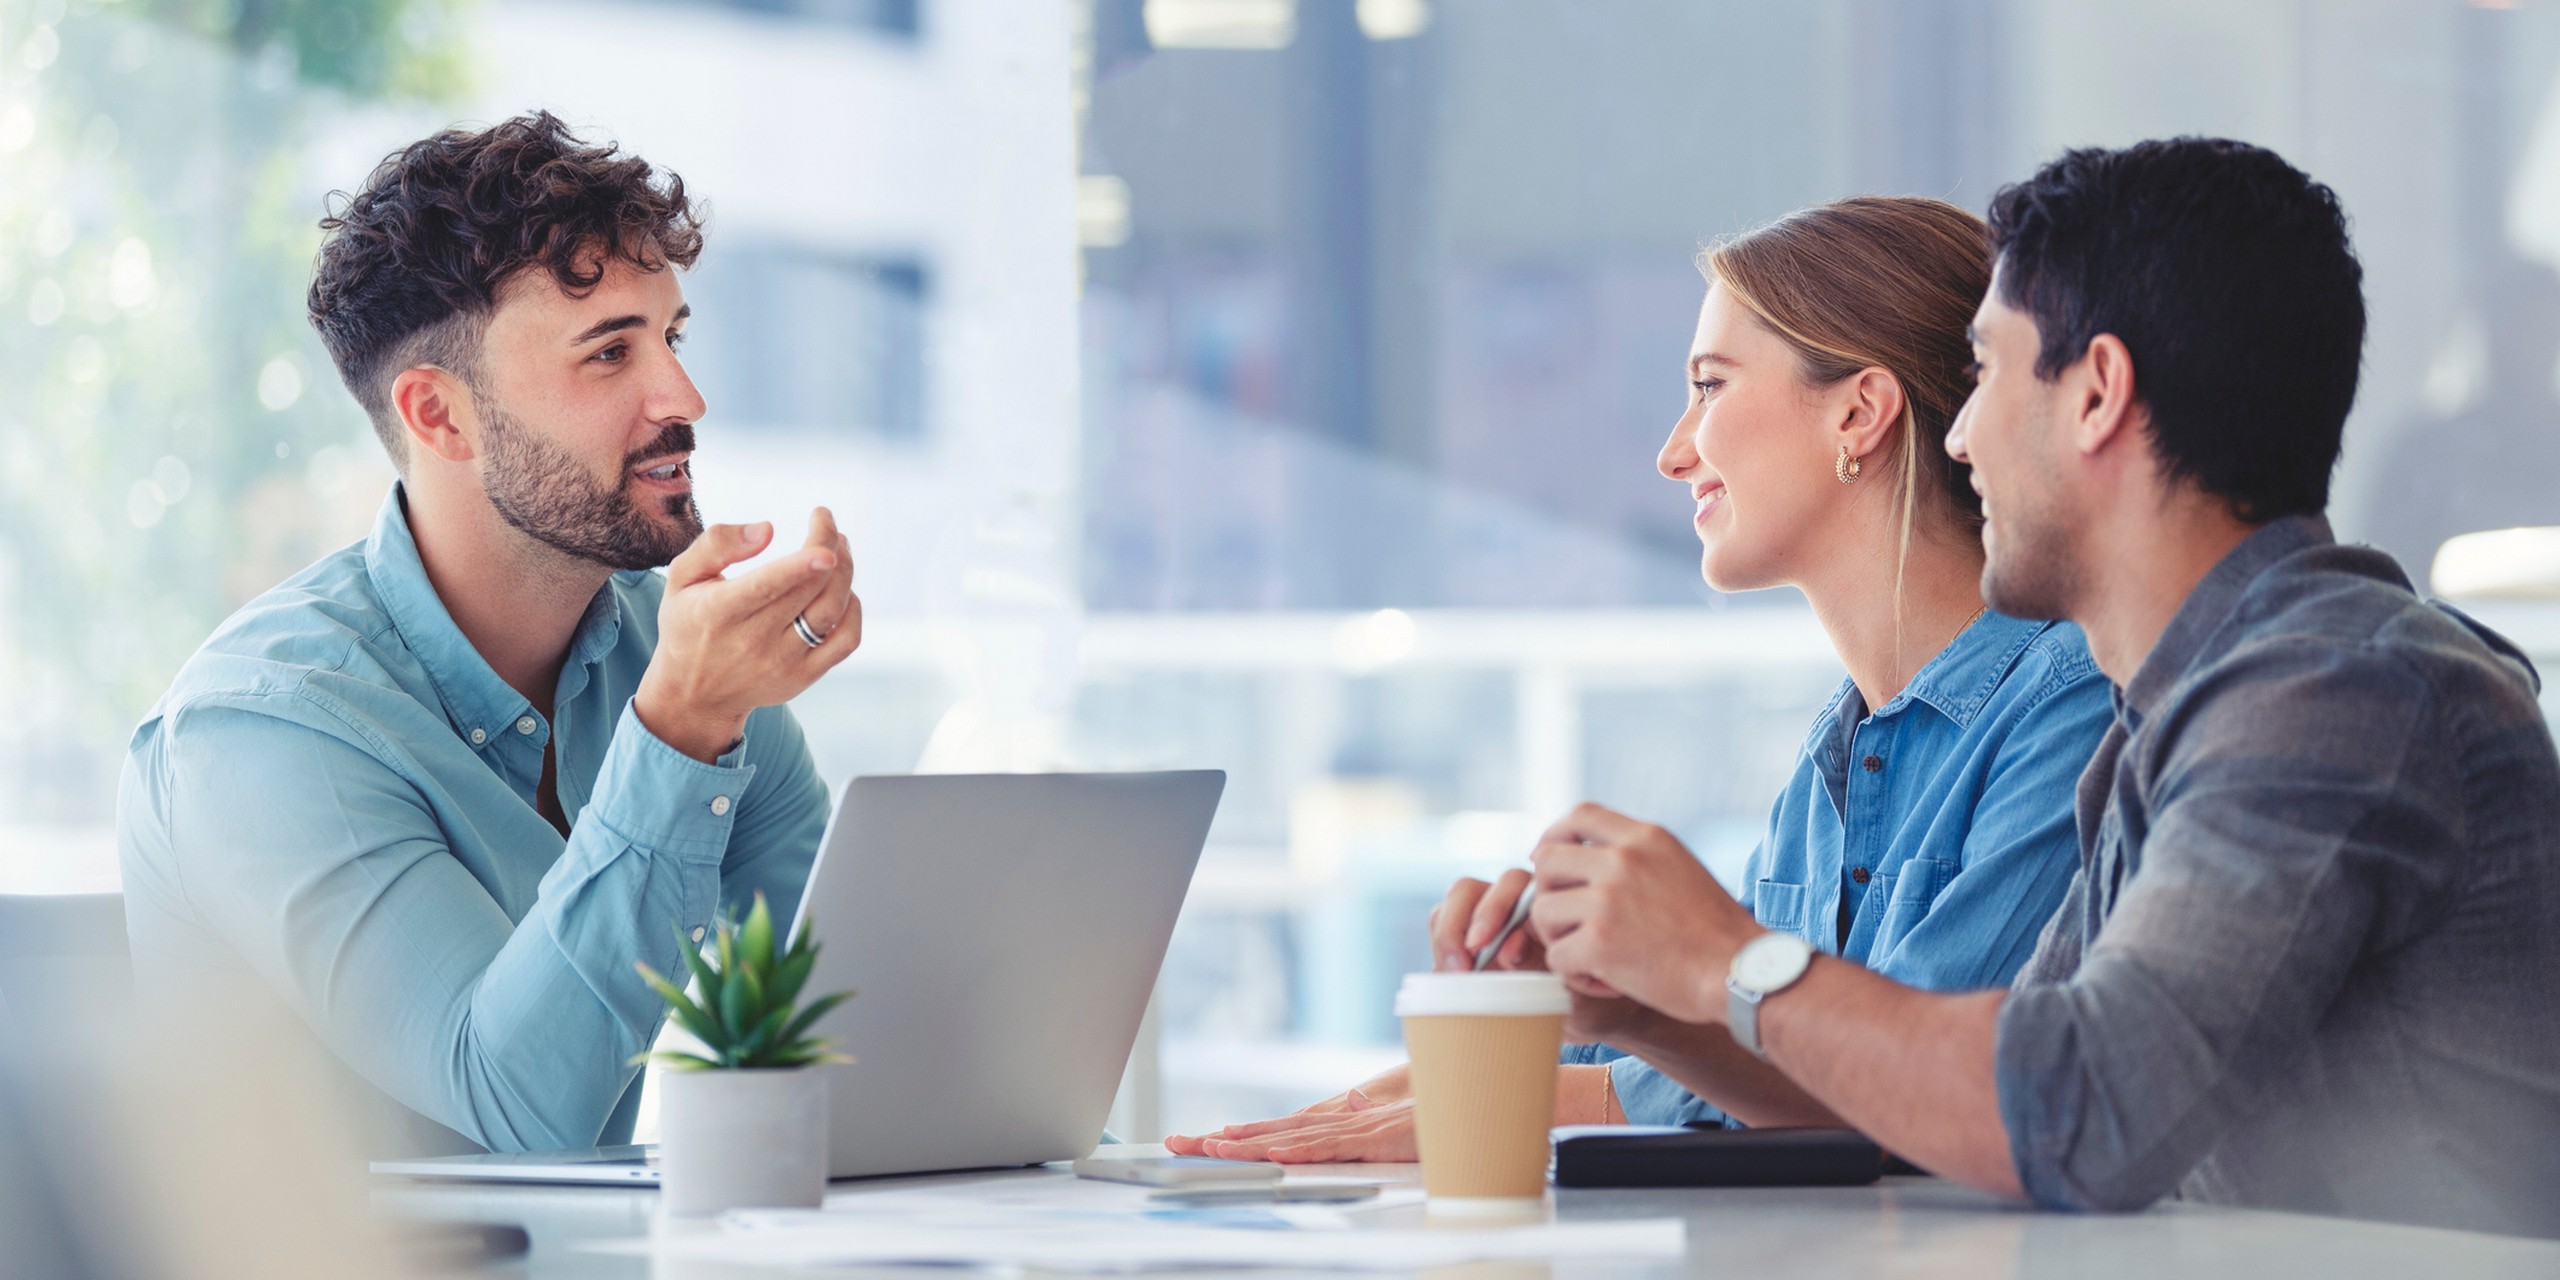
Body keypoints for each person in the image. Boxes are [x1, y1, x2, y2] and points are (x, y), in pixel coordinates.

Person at [1506, 139, 2560, 1239]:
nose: (1957, 434)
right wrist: (1660, 1002)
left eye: (1986, 374)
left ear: (2097, 393)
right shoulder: (2168, 722)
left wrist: (1724, 958)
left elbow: (2086, 1103)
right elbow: (1957, 1096)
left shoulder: (2338, 689)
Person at [1170, 197, 2113, 1162]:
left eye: (1710, 387)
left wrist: (1562, 1085)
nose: (1674, 453)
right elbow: (1800, 1071)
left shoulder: (2070, 708)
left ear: (1859, 412)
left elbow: (1917, 1099)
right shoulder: (1837, 757)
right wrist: (1595, 1013)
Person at [117, 112, 858, 1156]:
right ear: (439, 417)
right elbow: (515, 1101)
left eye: (671, 337)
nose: (684, 397)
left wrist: (1086, 1144)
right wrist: (679, 731)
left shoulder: (676, 658)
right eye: (609, 353)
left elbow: (847, 1021)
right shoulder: (259, 731)